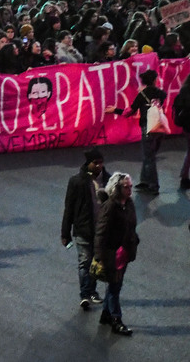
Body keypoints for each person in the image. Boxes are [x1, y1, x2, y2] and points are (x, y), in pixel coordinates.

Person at [60, 149, 110, 310]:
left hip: (102, 230)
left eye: (101, 162)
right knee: (84, 262)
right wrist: (65, 233)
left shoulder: (109, 181)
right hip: (83, 229)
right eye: (95, 163)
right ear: (88, 164)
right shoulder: (77, 182)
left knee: (96, 262)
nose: (99, 166)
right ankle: (85, 294)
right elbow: (69, 208)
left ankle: (92, 291)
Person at [93, 172, 137, 336]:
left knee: (114, 286)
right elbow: (101, 233)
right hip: (112, 254)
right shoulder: (110, 206)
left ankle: (106, 314)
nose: (130, 190)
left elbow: (131, 226)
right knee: (114, 288)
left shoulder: (129, 203)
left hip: (123, 253)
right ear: (117, 188)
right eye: (126, 187)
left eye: (131, 186)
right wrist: (100, 257)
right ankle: (116, 320)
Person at [112, 69, 168, 194]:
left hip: (147, 128)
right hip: (160, 128)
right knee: (149, 156)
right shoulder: (162, 94)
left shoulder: (142, 95)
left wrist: (115, 110)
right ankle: (145, 181)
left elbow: (129, 112)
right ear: (154, 80)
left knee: (149, 157)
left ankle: (153, 185)